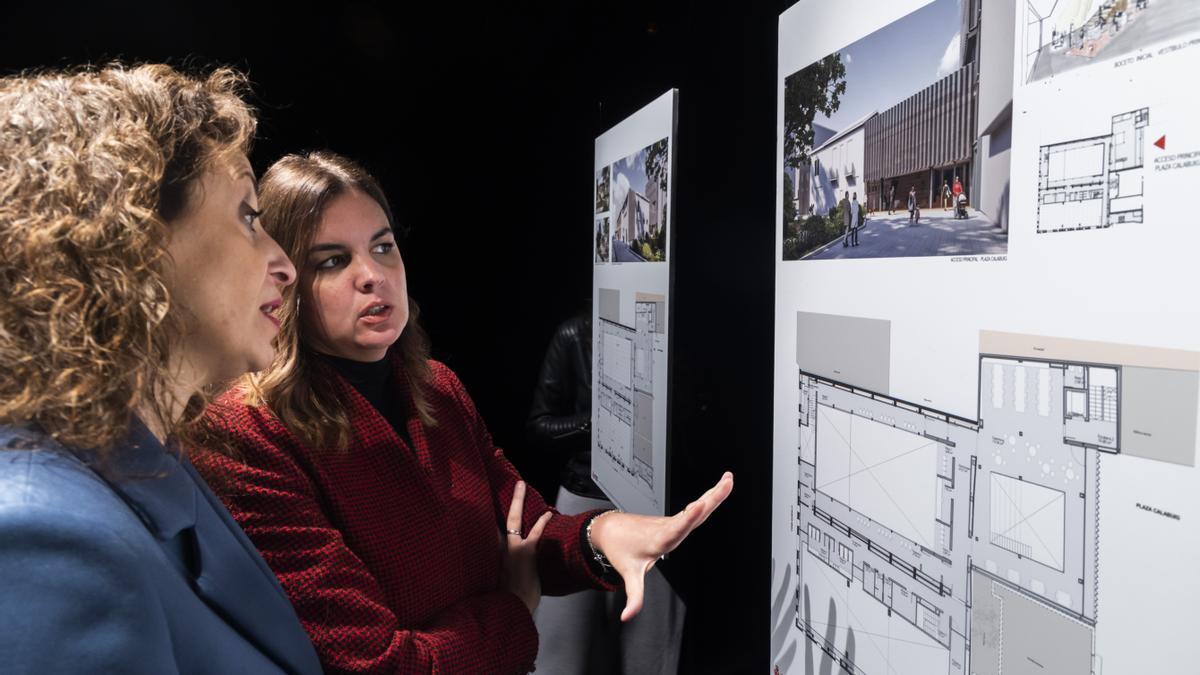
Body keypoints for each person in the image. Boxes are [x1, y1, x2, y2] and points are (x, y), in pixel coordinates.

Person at [190, 151, 733, 674]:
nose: (372, 275)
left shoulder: (438, 390)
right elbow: (384, 666)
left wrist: (602, 537)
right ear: (283, 280)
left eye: (382, 248)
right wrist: (514, 609)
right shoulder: (251, 432)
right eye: (332, 261)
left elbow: (527, 529)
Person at [0, 65, 321, 674]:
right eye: (249, 216)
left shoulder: (160, 472)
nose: (284, 264)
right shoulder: (39, 542)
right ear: (130, 241)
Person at [526, 309, 685, 674]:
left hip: (651, 506)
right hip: (584, 496)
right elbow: (538, 425)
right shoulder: (573, 333)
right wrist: (595, 423)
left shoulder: (670, 335)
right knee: (559, 651)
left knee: (650, 655)